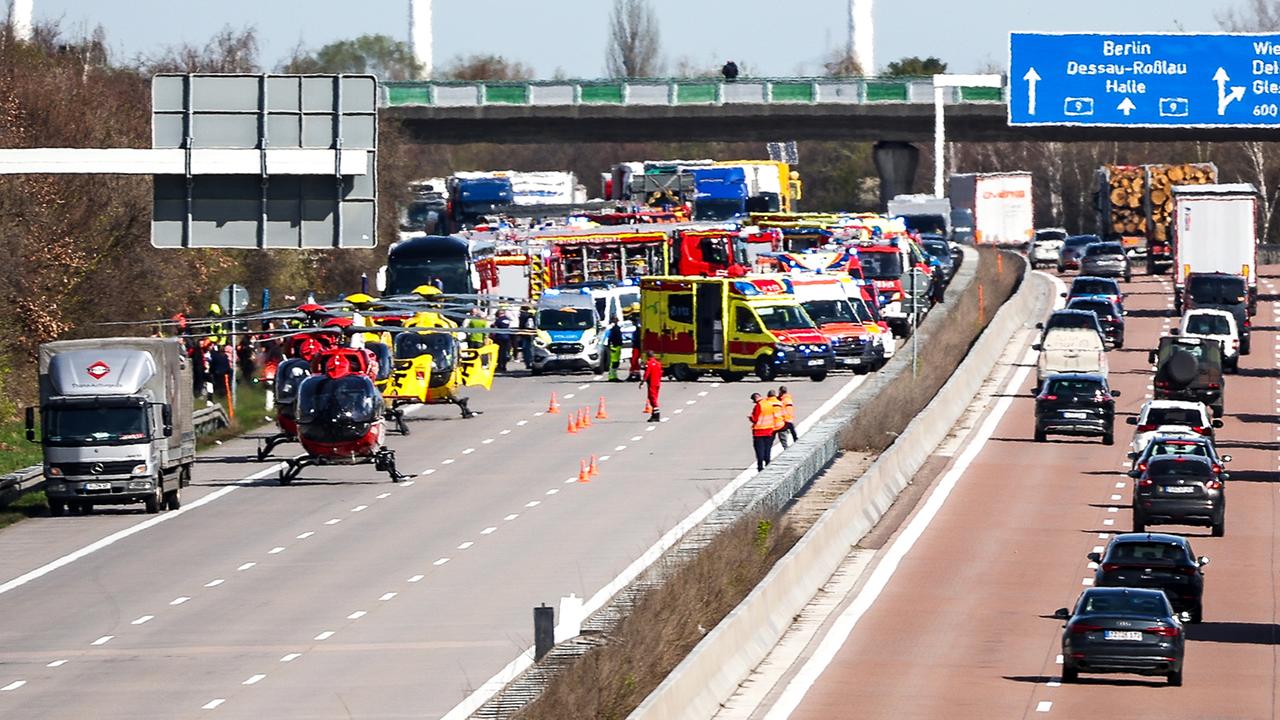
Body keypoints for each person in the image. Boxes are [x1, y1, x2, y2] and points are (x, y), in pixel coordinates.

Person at [749, 392, 775, 471]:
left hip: (759, 432)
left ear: (755, 399)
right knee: (767, 449)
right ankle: (768, 464)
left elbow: (755, 419)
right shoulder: (769, 404)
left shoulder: (758, 406)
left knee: (759, 450)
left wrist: (750, 418)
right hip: (769, 430)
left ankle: (760, 466)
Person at [640, 350, 662, 422]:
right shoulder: (658, 363)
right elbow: (661, 373)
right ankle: (654, 414)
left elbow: (647, 373)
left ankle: (656, 415)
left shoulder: (649, 363)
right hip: (657, 383)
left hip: (652, 383)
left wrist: (642, 381)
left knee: (652, 398)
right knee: (654, 397)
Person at [493, 307, 512, 373]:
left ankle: (499, 366)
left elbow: (495, 328)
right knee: (505, 352)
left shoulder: (498, 320)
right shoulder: (507, 319)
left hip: (500, 337)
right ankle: (504, 366)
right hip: (507, 337)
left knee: (500, 352)